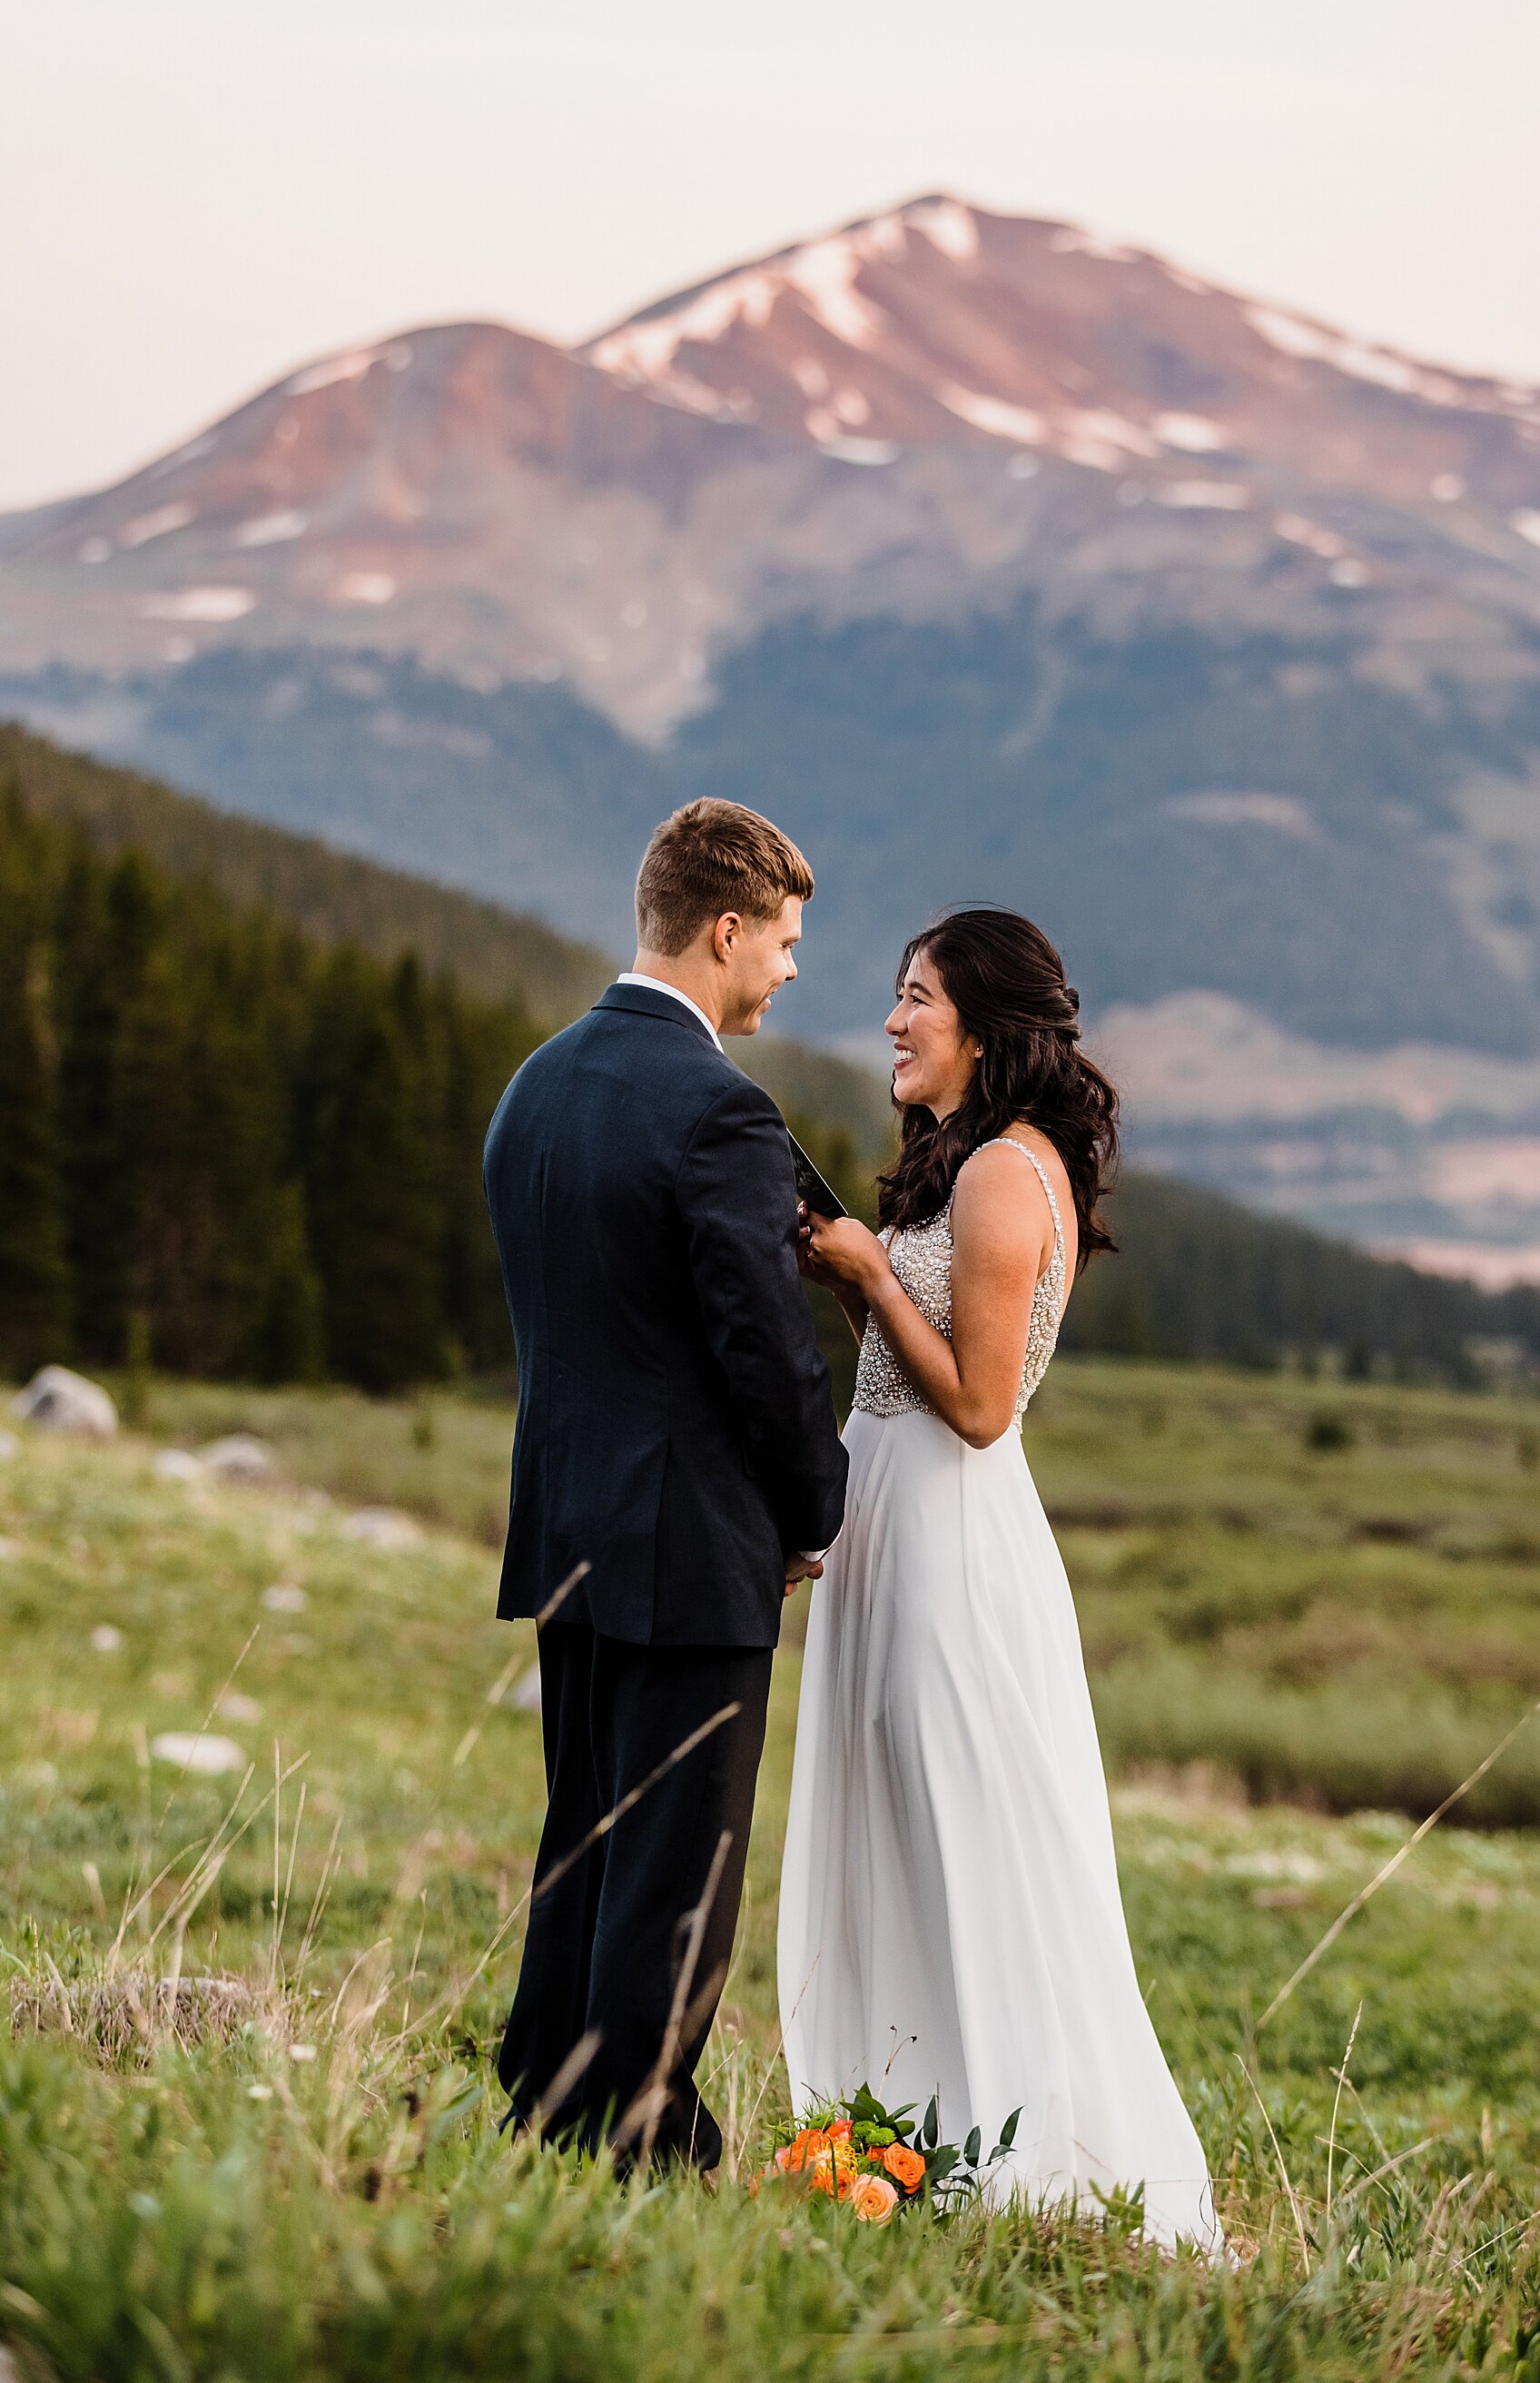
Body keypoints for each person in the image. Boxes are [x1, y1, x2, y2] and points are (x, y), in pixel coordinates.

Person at [780, 908, 1217, 2249]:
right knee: (899, 1833)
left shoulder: (1003, 1177)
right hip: (895, 1522)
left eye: (917, 998)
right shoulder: (968, 1166)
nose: (896, 1021)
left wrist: (860, 1262)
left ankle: (1009, 2153)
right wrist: (861, 1279)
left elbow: (976, 1405)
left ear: (984, 1023)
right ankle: (901, 2138)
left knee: (963, 1838)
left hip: (948, 1540)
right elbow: (917, 1360)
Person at [485, 796, 848, 2170]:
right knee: (677, 1864)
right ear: (727, 928)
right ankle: (640, 2134)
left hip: (568, 1529)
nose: (794, 970)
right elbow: (767, 1353)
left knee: (581, 1832)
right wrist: (813, 1508)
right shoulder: (719, 1114)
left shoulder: (538, 1082)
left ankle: (547, 2094)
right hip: (691, 1548)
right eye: (788, 941)